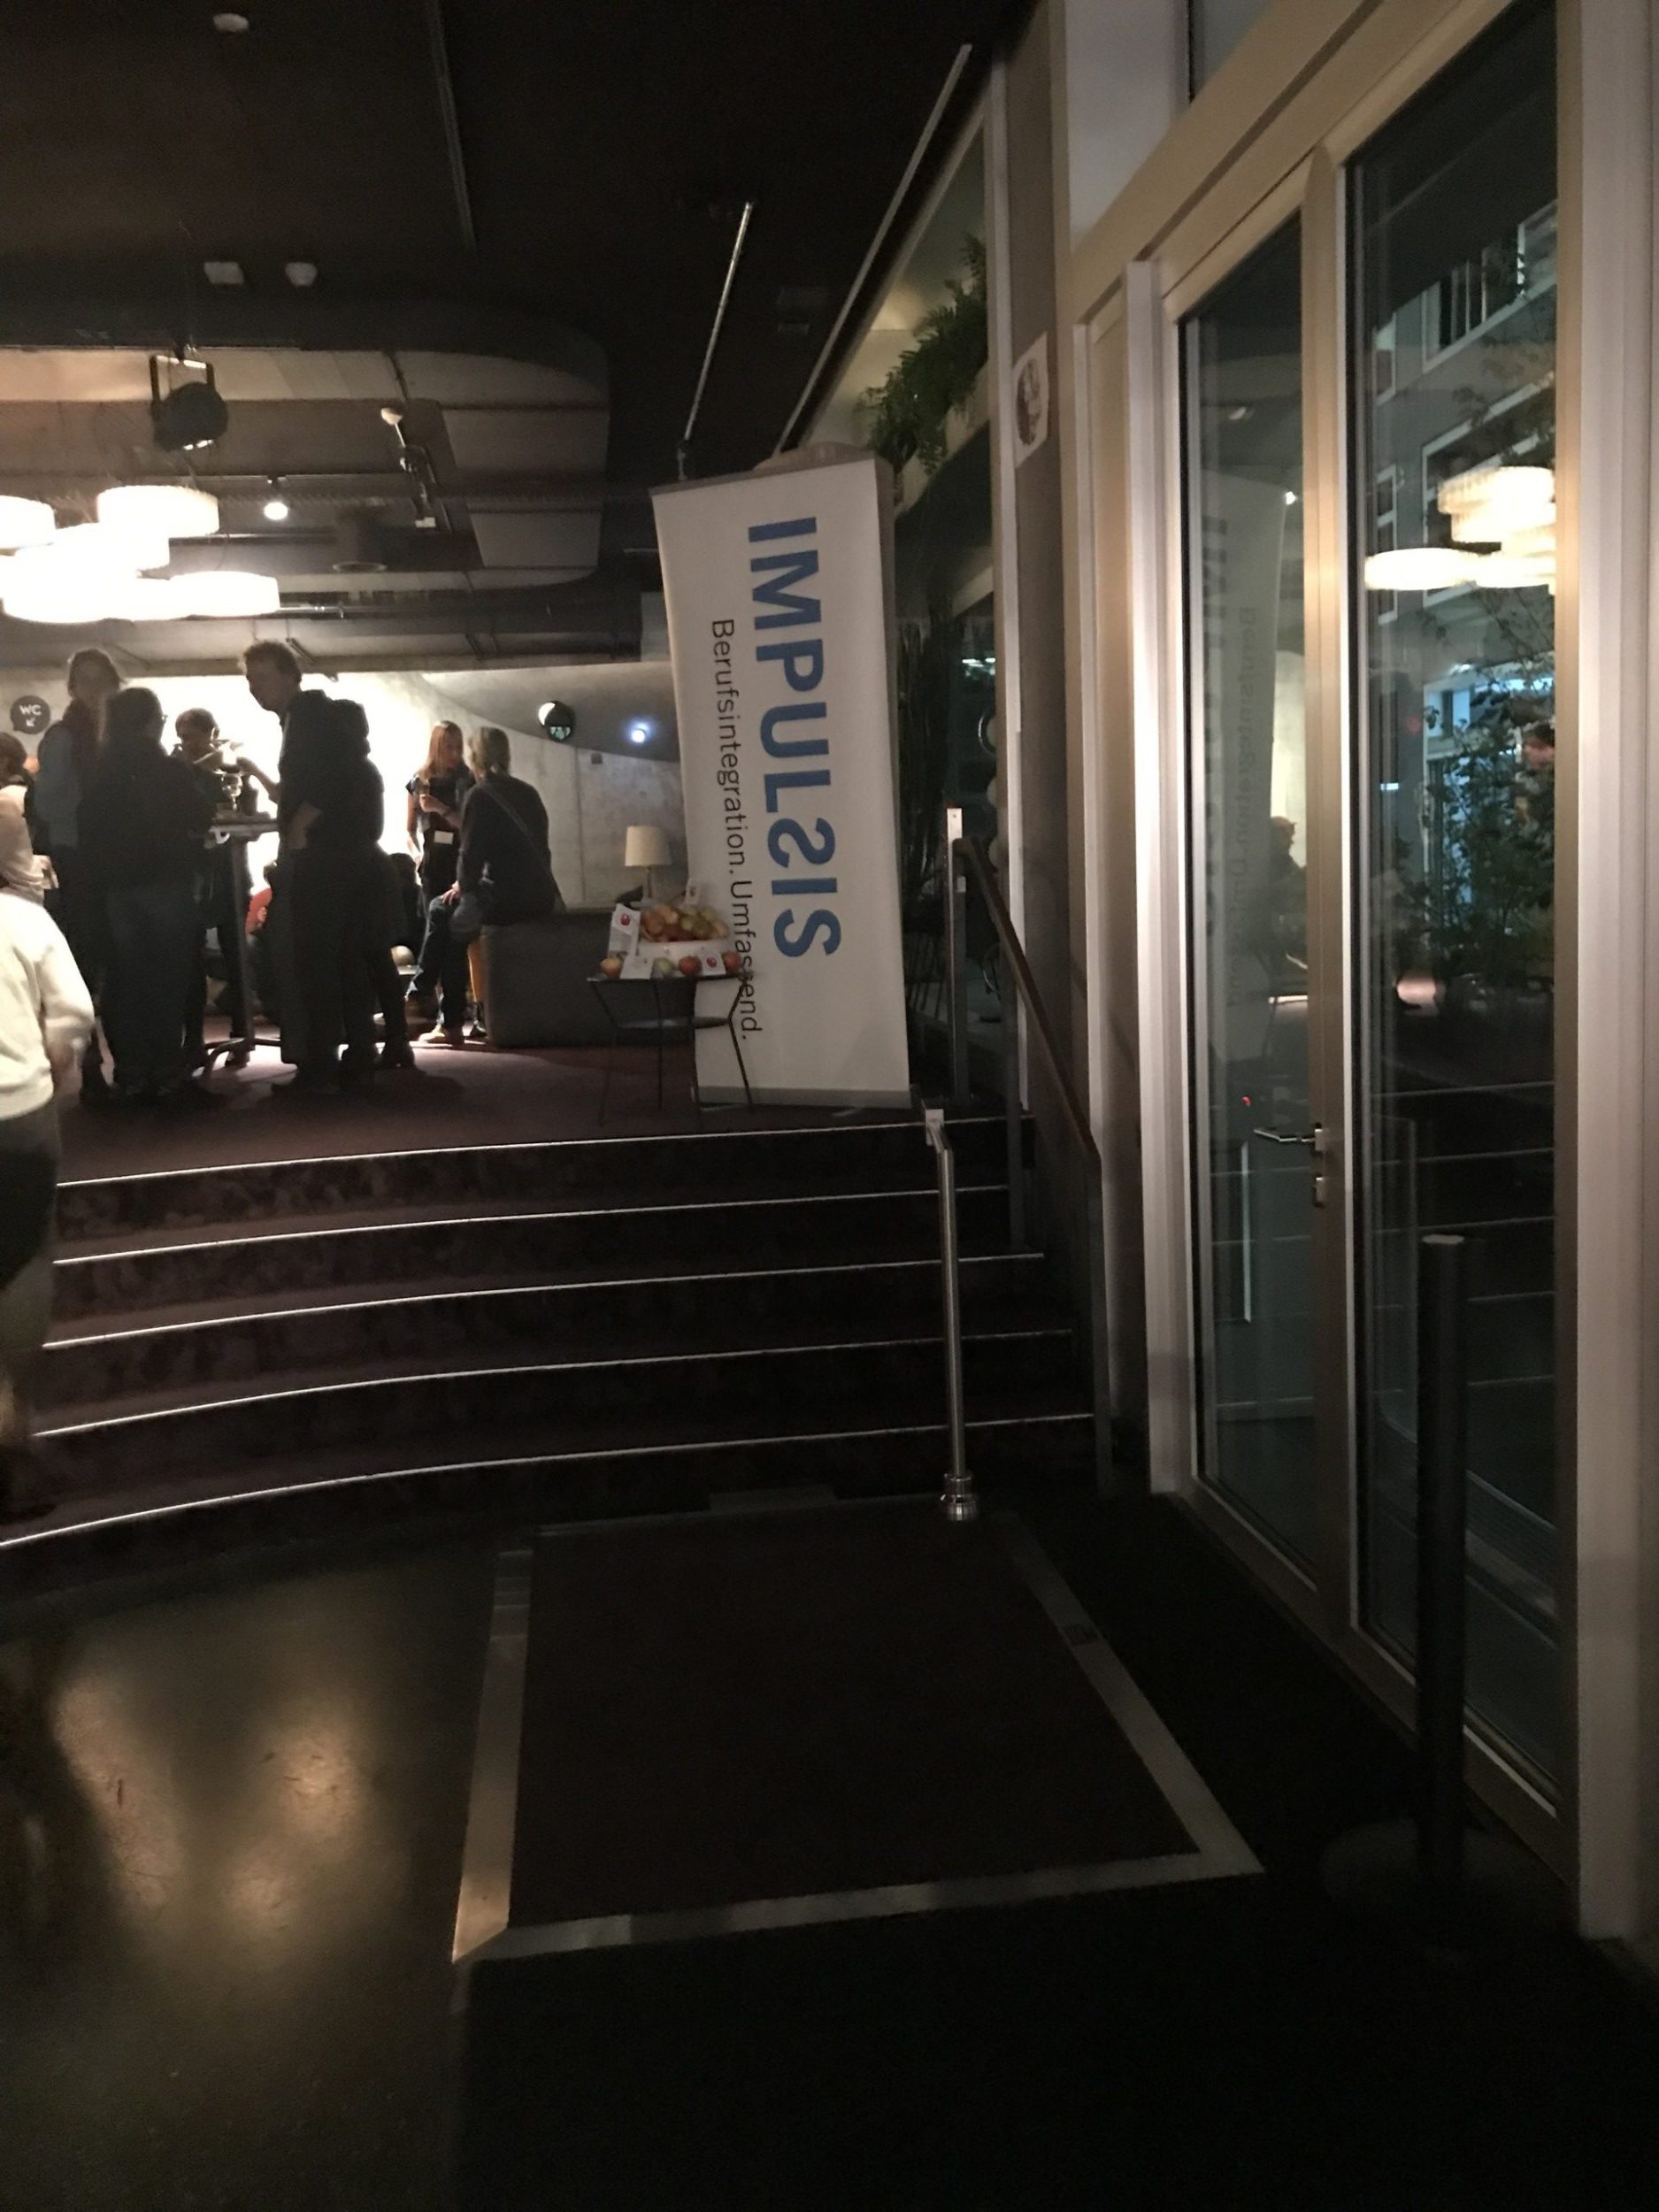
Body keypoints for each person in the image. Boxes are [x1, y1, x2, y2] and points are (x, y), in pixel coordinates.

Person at [242, 641, 405, 1089]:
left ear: (289, 675)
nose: (254, 687)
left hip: (325, 856)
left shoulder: (308, 718)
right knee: (343, 959)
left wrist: (300, 826)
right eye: (250, 679)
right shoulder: (307, 718)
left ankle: (322, 1062)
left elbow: (333, 780)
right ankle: (353, 1055)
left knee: (316, 961)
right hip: (343, 855)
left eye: (262, 677)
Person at [0, 810, 95, 1516]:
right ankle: (11, 1422)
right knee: (26, 1261)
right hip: (20, 1113)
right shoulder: (25, 921)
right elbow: (73, 1015)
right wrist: (58, 1065)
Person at [79, 687, 216, 1104]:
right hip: (164, 881)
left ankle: (133, 1073)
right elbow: (199, 815)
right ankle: (168, 1073)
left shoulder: (101, 770)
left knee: (129, 980)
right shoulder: (166, 769)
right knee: (168, 980)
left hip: (118, 889)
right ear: (150, 721)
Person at [422, 726, 560, 1048]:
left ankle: (448, 1018)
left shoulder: (480, 795)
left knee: (443, 913)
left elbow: (471, 856)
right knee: (451, 914)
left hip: (505, 899)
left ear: (475, 757)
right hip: (540, 895)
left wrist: (462, 885)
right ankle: (427, 992)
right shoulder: (528, 792)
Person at [28, 648, 121, 1101]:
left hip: (112, 855)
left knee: (113, 957)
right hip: (81, 856)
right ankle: (91, 1065)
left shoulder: (118, 736)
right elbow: (48, 805)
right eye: (85, 679)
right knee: (87, 956)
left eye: (100, 678)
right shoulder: (64, 738)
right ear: (72, 687)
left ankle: (124, 1062)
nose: (94, 688)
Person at [405, 721, 474, 1037]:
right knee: (434, 935)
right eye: (449, 747)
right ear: (436, 746)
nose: (455, 754)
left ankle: (450, 1016)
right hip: (431, 865)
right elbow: (409, 829)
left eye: (458, 747)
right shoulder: (419, 780)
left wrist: (441, 808)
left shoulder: (467, 780)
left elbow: (469, 826)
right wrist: (416, 854)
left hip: (458, 865)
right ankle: (438, 1016)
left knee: (453, 940)